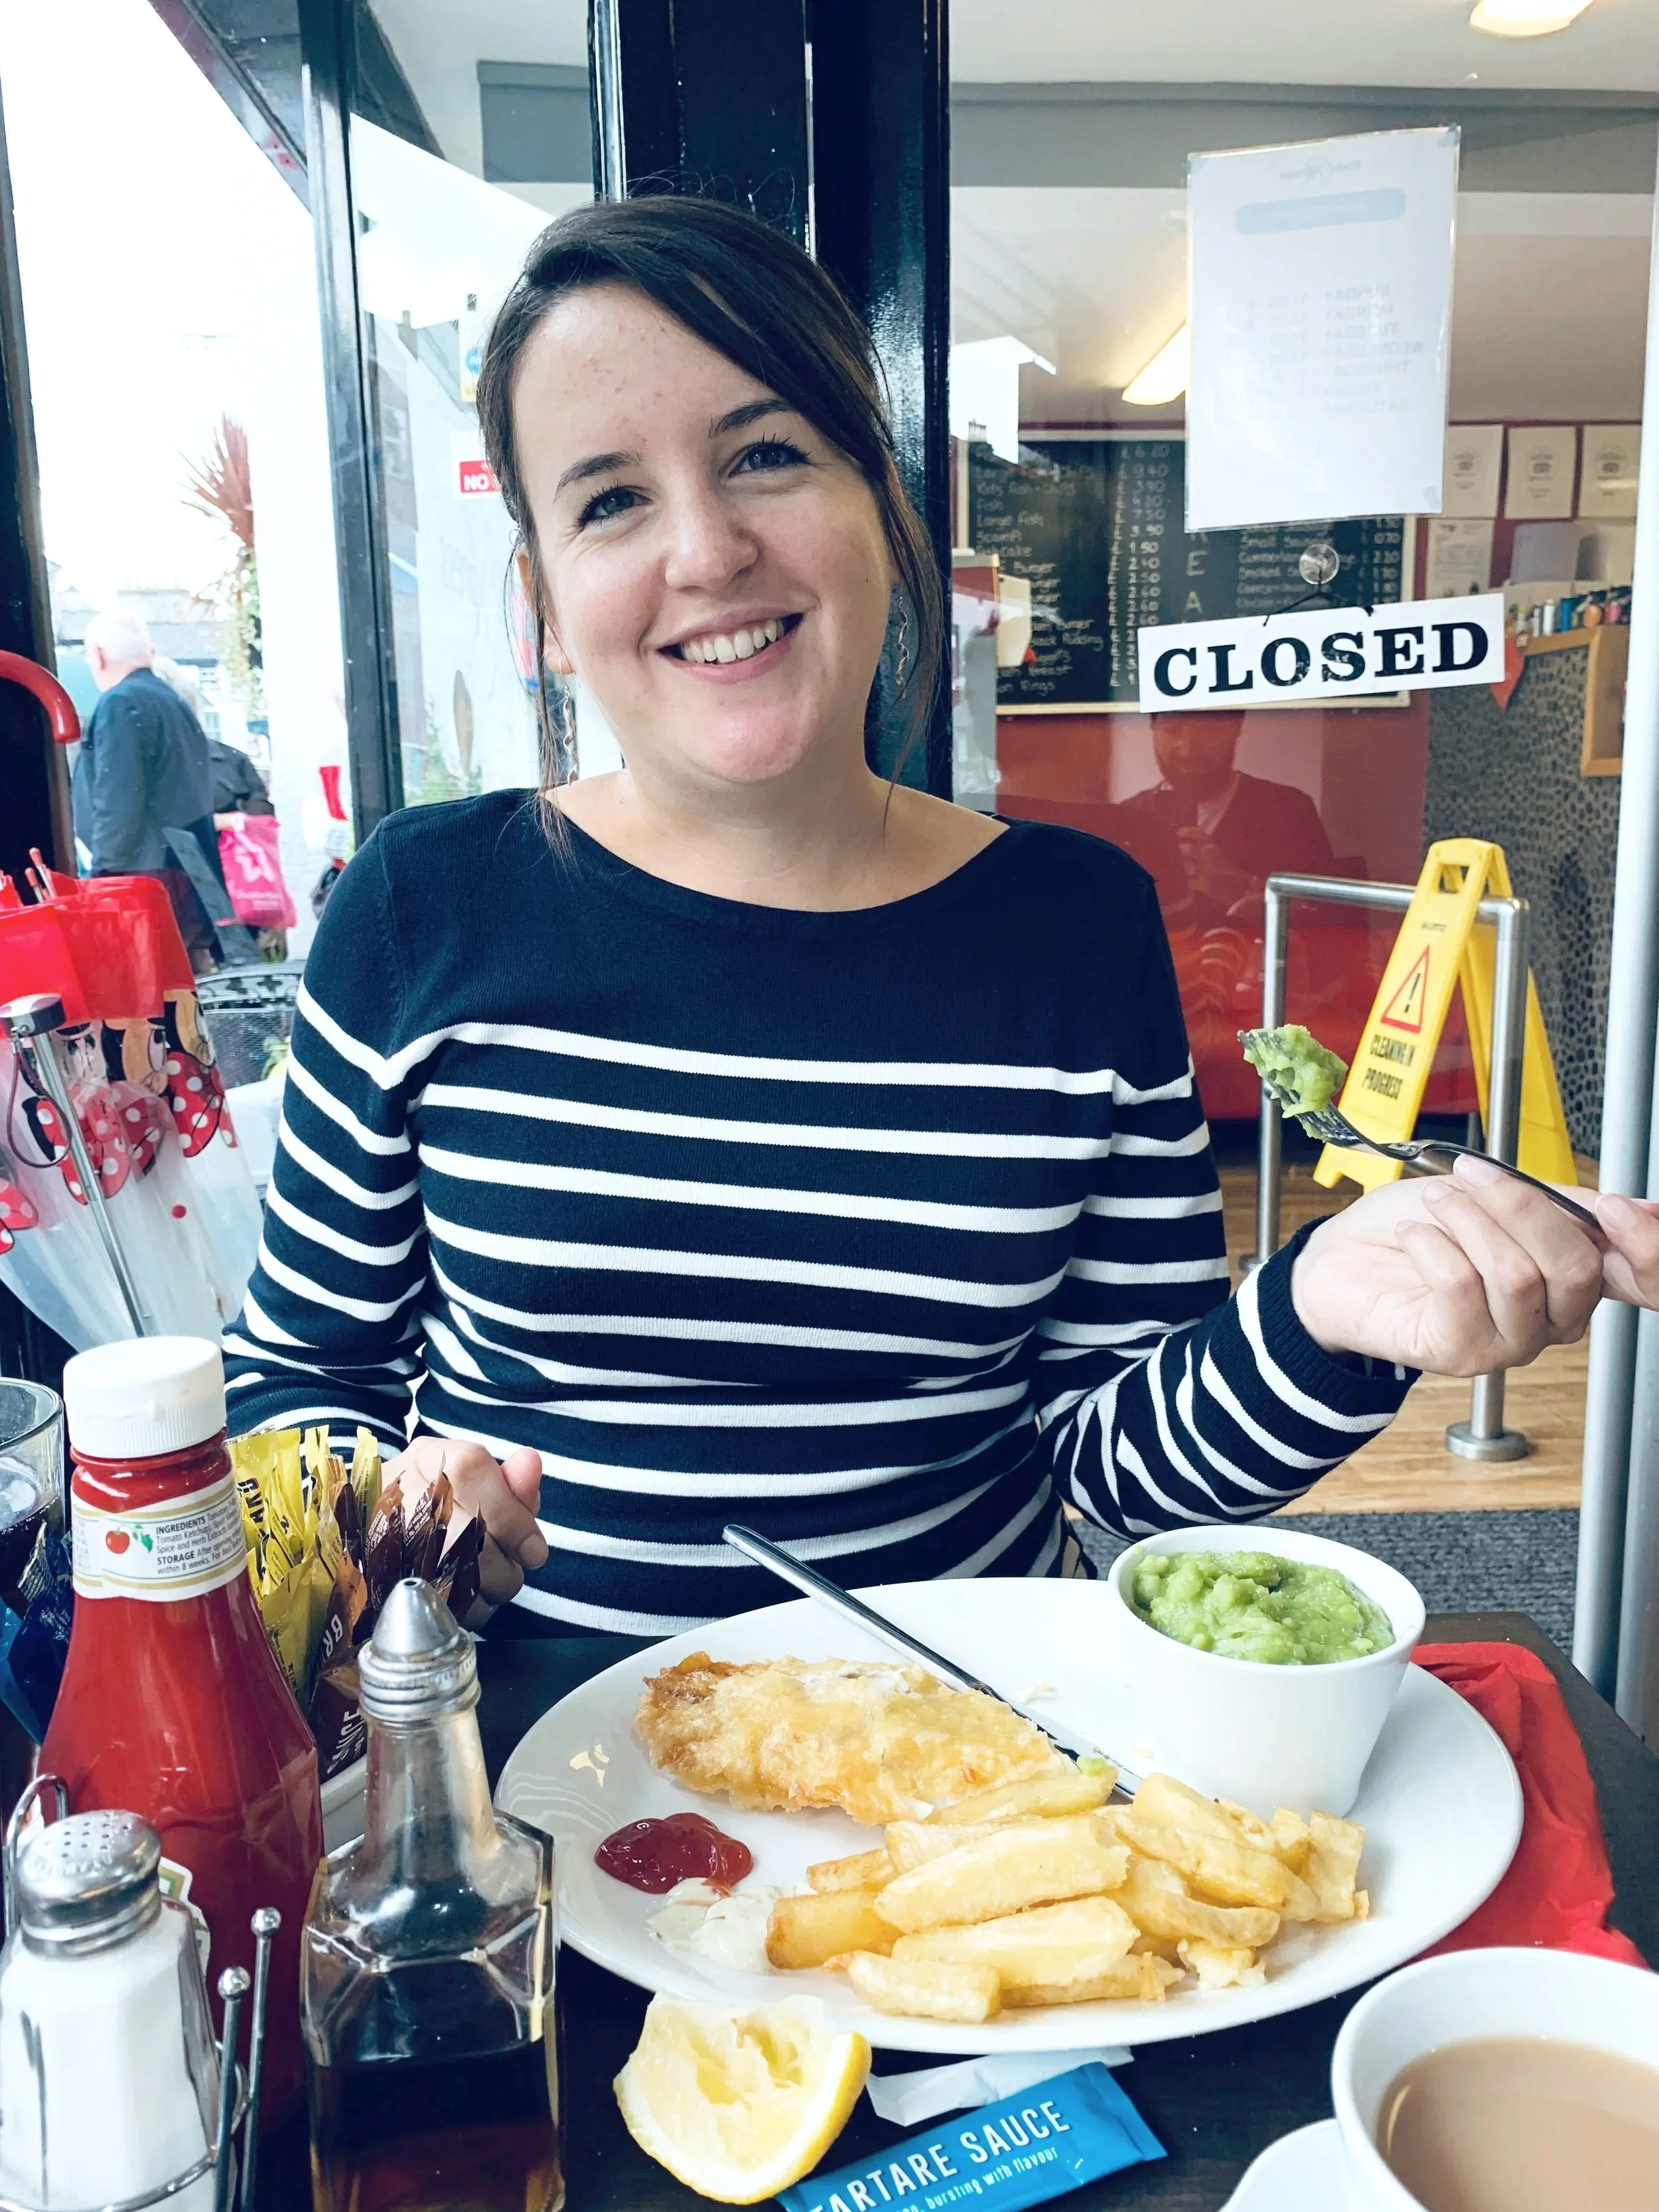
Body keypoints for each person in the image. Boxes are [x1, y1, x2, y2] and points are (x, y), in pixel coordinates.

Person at [221, 198, 1659, 1639]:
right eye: (610, 499)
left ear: (879, 504)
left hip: (968, 1767)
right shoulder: (421, 908)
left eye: (764, 455)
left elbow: (1117, 1458)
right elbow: (295, 1377)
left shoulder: (1070, 925)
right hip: (525, 1768)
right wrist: (385, 1514)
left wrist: (1316, 1317)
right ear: (541, 601)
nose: (708, 549)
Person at [1123, 709, 1336, 929]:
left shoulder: (1291, 809)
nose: (1188, 750)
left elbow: (1327, 923)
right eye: (1172, 730)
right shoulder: (1126, 817)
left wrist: (1238, 886)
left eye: (1207, 730)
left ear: (1236, 727)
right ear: (1153, 730)